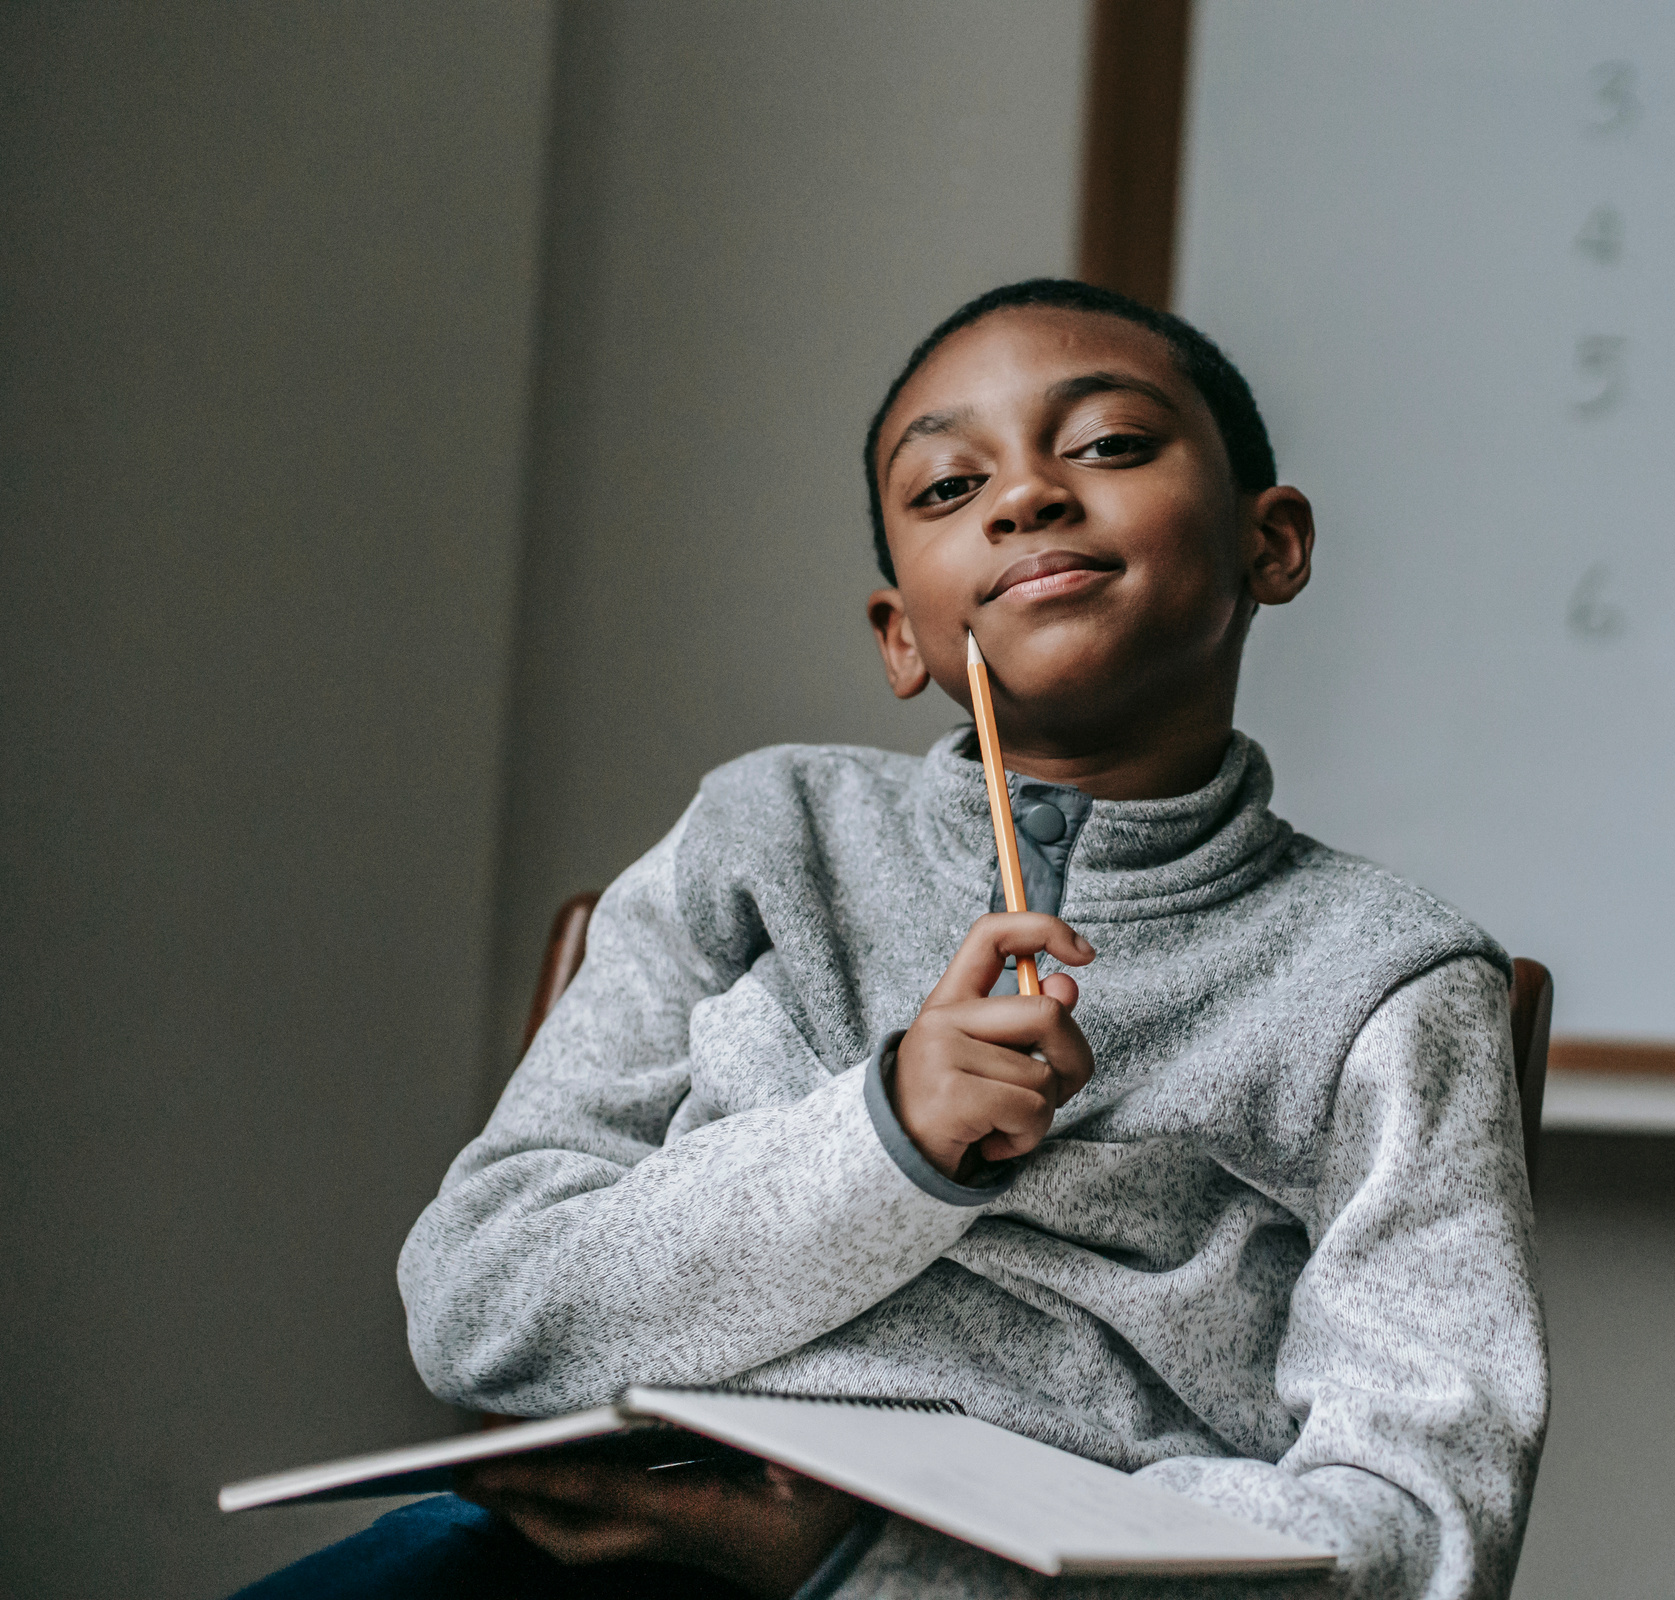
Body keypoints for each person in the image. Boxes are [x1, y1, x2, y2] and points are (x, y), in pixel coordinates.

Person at [233, 280, 1546, 1599]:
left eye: (1105, 445)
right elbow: (479, 1305)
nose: (1023, 497)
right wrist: (886, 1141)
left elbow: (1416, 1525)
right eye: (946, 487)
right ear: (901, 634)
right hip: (574, 1556)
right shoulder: (764, 837)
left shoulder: (1387, 977)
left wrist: (877, 1563)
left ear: (1274, 544)